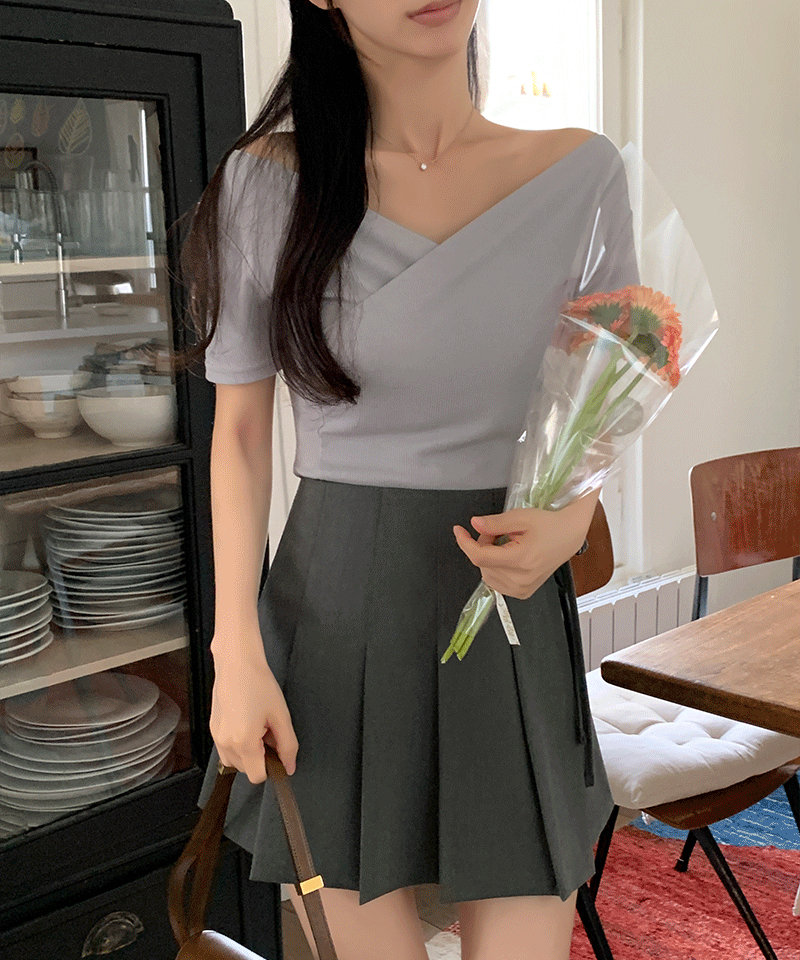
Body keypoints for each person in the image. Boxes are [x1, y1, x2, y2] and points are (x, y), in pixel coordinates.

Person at [183, 1, 639, 957]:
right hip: (336, 611)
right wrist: (236, 650)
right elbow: (240, 434)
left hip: (510, 609)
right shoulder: (266, 184)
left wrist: (573, 521)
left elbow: (601, 398)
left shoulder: (582, 174)